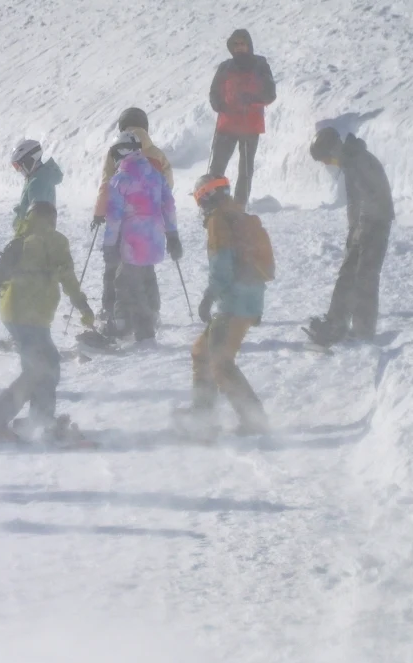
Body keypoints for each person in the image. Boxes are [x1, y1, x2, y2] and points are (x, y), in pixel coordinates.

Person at [0, 202, 94, 442]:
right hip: (30, 316)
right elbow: (68, 277)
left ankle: (40, 420)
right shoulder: (55, 240)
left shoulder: (22, 236)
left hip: (15, 313)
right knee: (40, 369)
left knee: (44, 365)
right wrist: (83, 307)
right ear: (52, 219)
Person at [187, 175, 270, 435]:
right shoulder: (237, 215)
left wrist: (208, 297)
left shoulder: (219, 221)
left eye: (200, 201)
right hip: (247, 297)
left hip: (235, 303)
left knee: (219, 361)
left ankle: (254, 419)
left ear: (207, 197)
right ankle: (202, 415)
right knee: (202, 352)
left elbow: (221, 266)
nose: (201, 208)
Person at [306, 127, 394, 346]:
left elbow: (372, 197)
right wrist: (353, 229)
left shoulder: (359, 161)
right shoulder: (350, 162)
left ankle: (363, 330)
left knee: (366, 276)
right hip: (363, 225)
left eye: (327, 159)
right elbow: (355, 202)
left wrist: (361, 228)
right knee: (347, 273)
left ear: (334, 150)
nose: (328, 164)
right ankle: (336, 323)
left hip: (376, 224)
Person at [91, 109, 173, 335]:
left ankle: (114, 313)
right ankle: (152, 311)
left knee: (116, 267)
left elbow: (107, 184)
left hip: (124, 220)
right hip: (152, 222)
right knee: (145, 267)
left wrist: (99, 213)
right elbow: (167, 183)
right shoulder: (156, 153)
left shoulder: (116, 149)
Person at [208, 29, 276, 205]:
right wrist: (217, 103)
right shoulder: (225, 67)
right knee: (217, 167)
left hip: (249, 125)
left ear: (249, 45)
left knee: (245, 170)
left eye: (242, 43)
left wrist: (253, 99)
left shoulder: (260, 65)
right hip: (227, 124)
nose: (239, 47)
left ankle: (239, 206)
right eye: (236, 44)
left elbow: (270, 93)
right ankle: (215, 204)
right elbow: (214, 91)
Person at [10, 140, 63, 235]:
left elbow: (37, 220)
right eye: (16, 167)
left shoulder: (38, 182)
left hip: (34, 239)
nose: (19, 170)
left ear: (28, 161)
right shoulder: (37, 178)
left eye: (18, 166)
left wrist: (22, 237)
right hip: (36, 238)